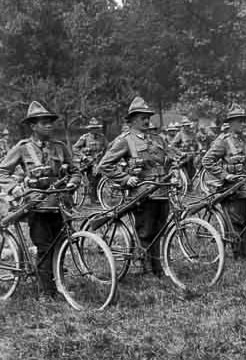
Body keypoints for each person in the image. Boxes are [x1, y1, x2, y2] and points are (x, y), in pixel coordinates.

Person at [0, 101, 81, 298]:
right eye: (43, 123)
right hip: (37, 206)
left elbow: (75, 170)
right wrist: (16, 188)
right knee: (44, 247)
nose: (49, 126)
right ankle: (47, 292)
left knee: (61, 244)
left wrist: (72, 183)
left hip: (60, 204)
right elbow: (2, 172)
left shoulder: (60, 147)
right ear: (33, 126)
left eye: (50, 122)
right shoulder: (22, 148)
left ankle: (57, 283)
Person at [98, 97, 176, 276]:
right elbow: (105, 165)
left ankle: (156, 267)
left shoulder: (158, 139)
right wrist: (125, 179)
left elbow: (169, 158)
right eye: (142, 118)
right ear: (132, 120)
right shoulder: (126, 140)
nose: (147, 120)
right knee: (146, 231)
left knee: (159, 230)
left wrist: (175, 168)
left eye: (148, 117)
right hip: (143, 193)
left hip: (162, 191)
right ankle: (147, 268)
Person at [202, 104, 246, 260]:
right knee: (237, 222)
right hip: (234, 189)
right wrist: (225, 175)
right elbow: (207, 160)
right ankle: (238, 255)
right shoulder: (223, 141)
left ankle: (244, 253)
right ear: (230, 123)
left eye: (245, 121)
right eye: (239, 121)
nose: (244, 124)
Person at [73, 117, 108, 203]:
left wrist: (105, 157)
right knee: (92, 180)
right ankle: (93, 199)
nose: (95, 130)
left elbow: (108, 147)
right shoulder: (85, 138)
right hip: (88, 163)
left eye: (96, 128)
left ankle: (97, 197)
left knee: (98, 180)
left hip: (99, 162)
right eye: (93, 128)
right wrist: (83, 157)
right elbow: (75, 148)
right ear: (90, 129)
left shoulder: (102, 137)